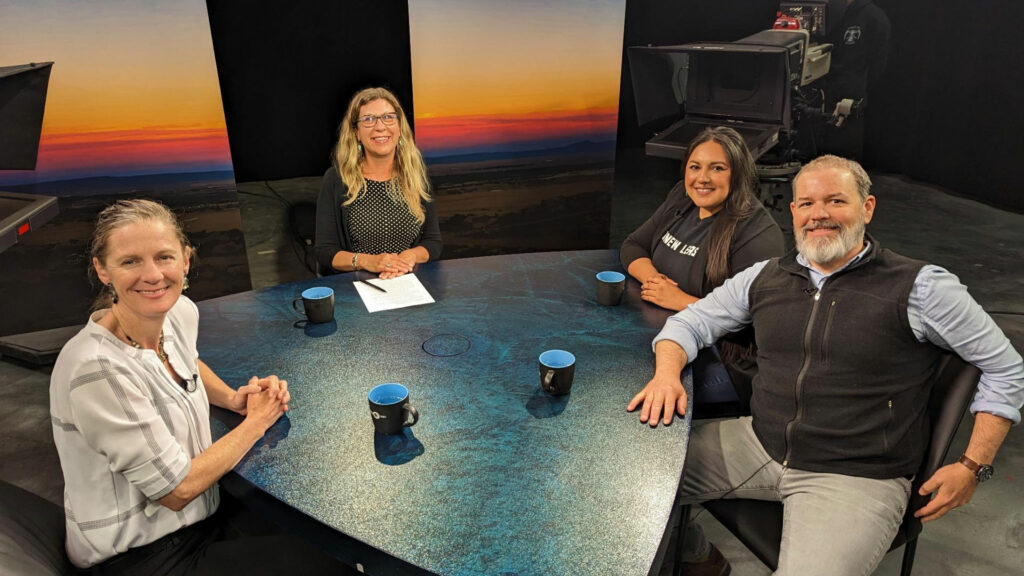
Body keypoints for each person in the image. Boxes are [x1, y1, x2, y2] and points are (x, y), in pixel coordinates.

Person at [628, 155, 1024, 575]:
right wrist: (667, 374)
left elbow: (1006, 368)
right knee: (623, 478)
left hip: (855, 478)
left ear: (866, 208)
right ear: (794, 211)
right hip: (758, 443)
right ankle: (696, 555)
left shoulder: (921, 287)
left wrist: (971, 466)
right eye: (808, 203)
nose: (820, 215)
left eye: (836, 201)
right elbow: (691, 321)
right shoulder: (765, 277)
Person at [50, 200, 355, 575]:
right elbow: (176, 490)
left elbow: (186, 360)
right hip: (143, 554)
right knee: (330, 566)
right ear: (102, 270)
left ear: (186, 261)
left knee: (330, 533)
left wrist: (232, 398)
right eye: (130, 261)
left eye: (164, 257)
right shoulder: (96, 370)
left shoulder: (177, 313)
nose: (152, 275)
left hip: (203, 513)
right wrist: (255, 422)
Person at [620, 126, 784, 411]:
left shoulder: (758, 234)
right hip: (662, 331)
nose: (702, 178)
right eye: (695, 167)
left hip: (722, 359)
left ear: (738, 174)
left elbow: (758, 328)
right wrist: (655, 281)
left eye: (717, 168)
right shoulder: (683, 199)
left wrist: (681, 301)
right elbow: (633, 246)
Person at [315, 86, 442, 278]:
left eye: (388, 117)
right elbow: (325, 252)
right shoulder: (336, 179)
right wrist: (368, 261)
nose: (380, 127)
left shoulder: (416, 175)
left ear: (400, 127)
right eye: (368, 120)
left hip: (406, 281)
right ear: (356, 132)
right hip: (357, 289)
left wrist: (409, 256)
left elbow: (433, 242)